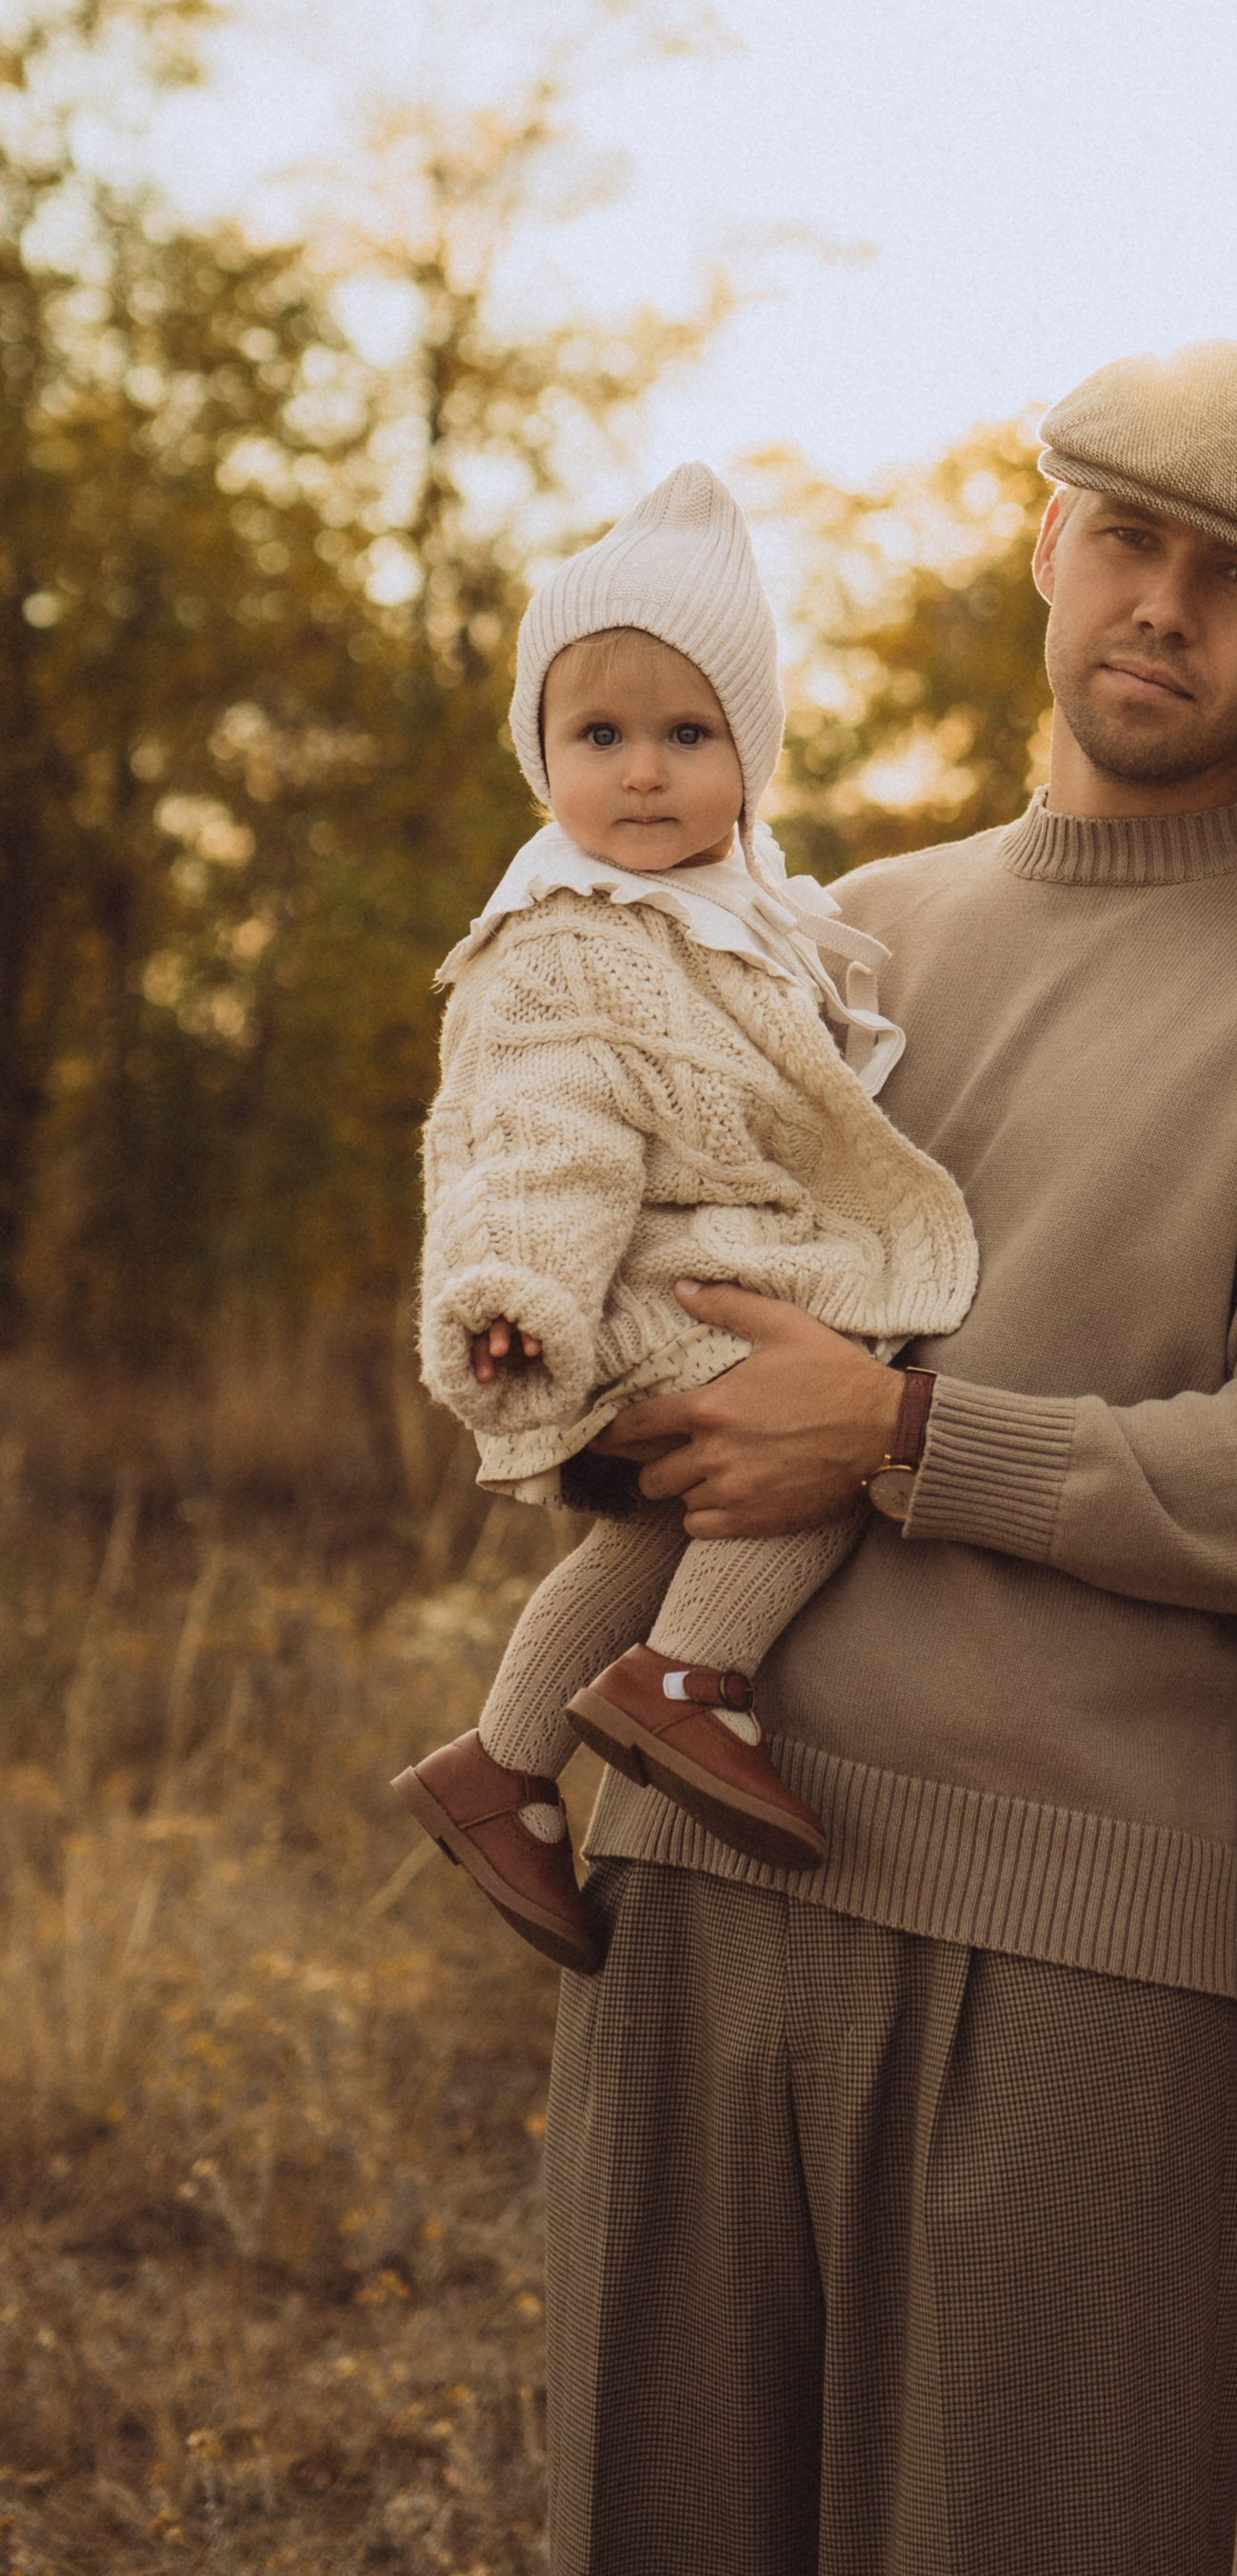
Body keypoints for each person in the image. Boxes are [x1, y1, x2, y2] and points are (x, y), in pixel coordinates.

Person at [544, 345, 1237, 2576]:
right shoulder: (846, 923)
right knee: (652, 2525)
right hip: (696, 1868)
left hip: (1076, 1934)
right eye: (1130, 541)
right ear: (1043, 542)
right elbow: (660, 1318)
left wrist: (901, 1436)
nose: (1164, 609)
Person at [393, 465, 977, 1969]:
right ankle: (688, 1684)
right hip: (636, 1294)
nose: (643, 774)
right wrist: (514, 1289)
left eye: (686, 734)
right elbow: (535, 1138)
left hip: (695, 1282)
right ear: (542, 759)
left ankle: (501, 1767)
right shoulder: (565, 943)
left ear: (749, 758)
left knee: (663, 1530)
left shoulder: (746, 909)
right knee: (816, 1454)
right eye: (600, 735)